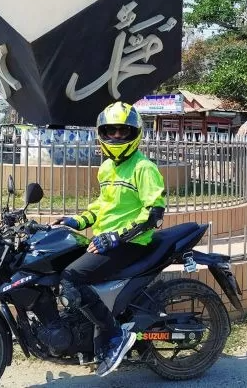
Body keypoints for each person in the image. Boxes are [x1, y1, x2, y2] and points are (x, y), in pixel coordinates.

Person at [53, 101, 165, 377]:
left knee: (71, 277)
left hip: (131, 243)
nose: (116, 136)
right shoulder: (106, 167)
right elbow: (103, 205)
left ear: (134, 133)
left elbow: (154, 213)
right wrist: (76, 221)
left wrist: (116, 237)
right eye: (110, 131)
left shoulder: (143, 167)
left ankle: (114, 336)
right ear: (101, 133)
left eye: (122, 131)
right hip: (107, 240)